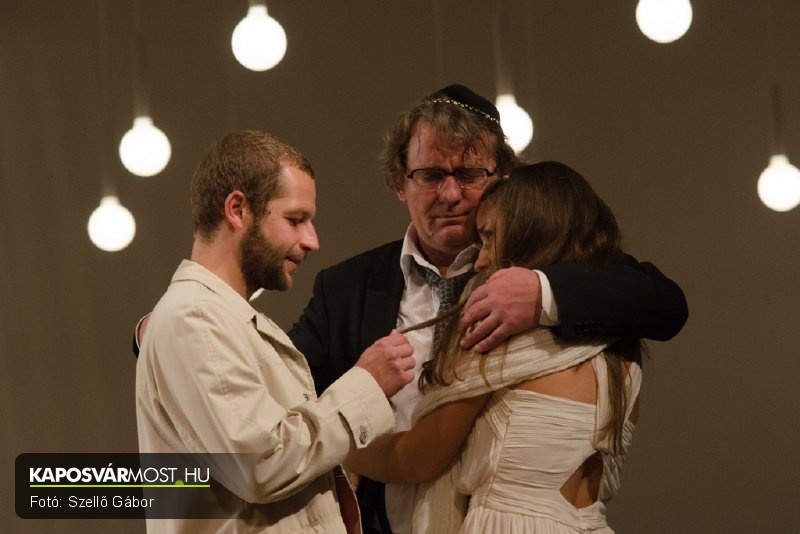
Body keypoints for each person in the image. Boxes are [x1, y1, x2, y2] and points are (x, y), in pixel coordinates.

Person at [287, 84, 686, 533]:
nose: (450, 194)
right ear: (401, 183)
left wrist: (542, 293)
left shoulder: (549, 264)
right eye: (430, 175)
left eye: (469, 173)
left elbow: (666, 304)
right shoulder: (345, 288)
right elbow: (283, 399)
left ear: (502, 178)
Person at [135, 130, 416, 533]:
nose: (312, 240)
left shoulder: (216, 317)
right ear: (237, 210)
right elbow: (260, 464)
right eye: (295, 219)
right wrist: (367, 385)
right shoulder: (193, 317)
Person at [347, 161, 645, 533]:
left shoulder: (498, 336)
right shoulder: (625, 345)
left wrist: (342, 448)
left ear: (530, 235)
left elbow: (417, 458)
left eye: (489, 237)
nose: (482, 260)